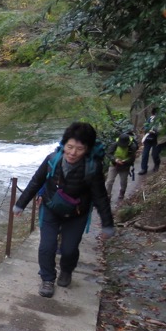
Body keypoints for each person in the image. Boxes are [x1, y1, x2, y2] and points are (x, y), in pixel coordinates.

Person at [12, 122, 115, 298]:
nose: (73, 153)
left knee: (69, 249)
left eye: (79, 149)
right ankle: (47, 279)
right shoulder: (52, 159)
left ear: (87, 149)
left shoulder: (92, 168)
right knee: (47, 247)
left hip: (77, 214)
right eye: (70, 147)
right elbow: (36, 181)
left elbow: (100, 196)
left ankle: (66, 270)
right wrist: (20, 204)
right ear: (64, 144)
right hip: (51, 209)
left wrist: (107, 224)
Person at [104, 131, 137, 200]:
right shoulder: (115, 144)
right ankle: (107, 195)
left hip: (125, 166)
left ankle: (122, 192)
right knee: (109, 181)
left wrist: (125, 161)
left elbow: (132, 158)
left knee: (123, 181)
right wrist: (115, 159)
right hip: (114, 165)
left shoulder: (132, 146)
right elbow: (109, 153)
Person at [138, 110, 160, 174]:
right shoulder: (150, 119)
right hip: (148, 138)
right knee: (145, 154)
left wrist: (155, 132)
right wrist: (148, 129)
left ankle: (157, 164)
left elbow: (162, 129)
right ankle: (144, 168)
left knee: (154, 154)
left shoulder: (161, 120)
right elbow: (145, 126)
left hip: (156, 139)